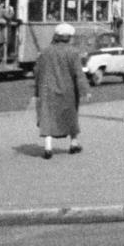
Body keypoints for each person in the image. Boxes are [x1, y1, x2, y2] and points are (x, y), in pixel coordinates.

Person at [33, 22, 84, 159]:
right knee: (70, 115)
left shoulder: (45, 51)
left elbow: (37, 71)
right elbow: (78, 73)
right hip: (68, 90)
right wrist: (84, 90)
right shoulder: (73, 52)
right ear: (69, 38)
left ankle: (48, 146)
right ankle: (74, 143)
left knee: (48, 116)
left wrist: (37, 89)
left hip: (47, 90)